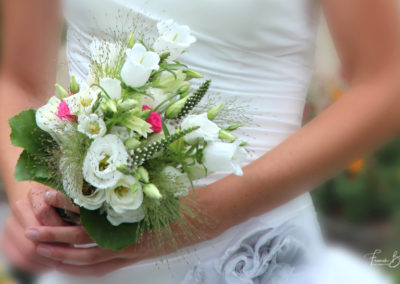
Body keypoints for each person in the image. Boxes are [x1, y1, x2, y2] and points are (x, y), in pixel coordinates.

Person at [0, 0, 398, 283]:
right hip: (86, 259)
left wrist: (208, 215)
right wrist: (30, 201)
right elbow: (16, 79)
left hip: (253, 254)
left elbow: (388, 82)